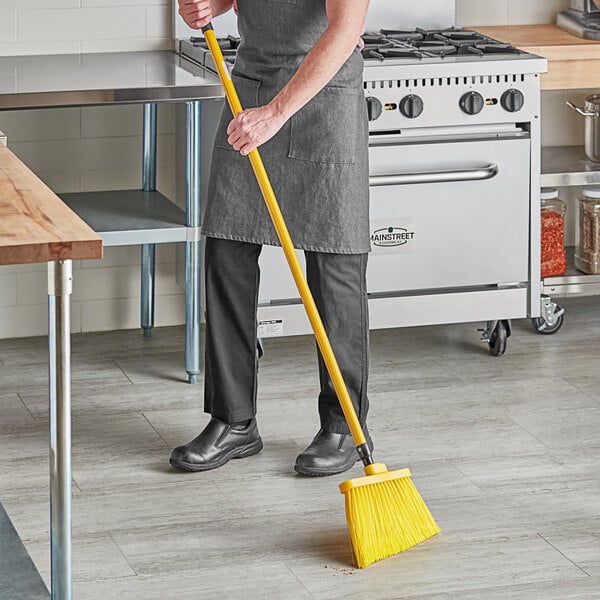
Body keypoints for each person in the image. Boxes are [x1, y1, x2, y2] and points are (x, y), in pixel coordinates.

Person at [170, 0, 372, 476]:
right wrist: (212, 5)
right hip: (252, 85)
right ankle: (234, 421)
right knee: (226, 249)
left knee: (335, 263)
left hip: (325, 96)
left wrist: (277, 112)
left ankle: (343, 427)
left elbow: (345, 30)